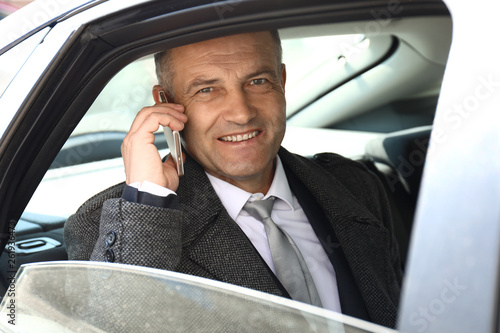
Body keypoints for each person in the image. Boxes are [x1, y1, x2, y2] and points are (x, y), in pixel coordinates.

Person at [64, 30, 402, 328]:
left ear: (281, 82)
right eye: (208, 89)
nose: (241, 113)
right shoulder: (116, 224)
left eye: (257, 81)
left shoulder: (354, 186)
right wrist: (148, 199)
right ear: (165, 103)